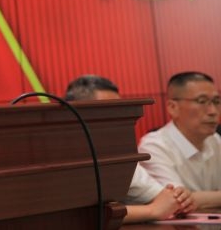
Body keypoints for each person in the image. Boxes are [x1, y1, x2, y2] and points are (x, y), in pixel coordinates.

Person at [65, 75, 197, 222]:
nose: (119, 119)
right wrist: (151, 211)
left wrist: (179, 198)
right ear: (75, 115)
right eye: (108, 111)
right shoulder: (62, 156)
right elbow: (73, 216)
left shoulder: (116, 154)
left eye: (121, 111)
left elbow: (162, 198)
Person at [139, 71, 221, 210]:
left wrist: (197, 198)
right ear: (173, 107)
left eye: (216, 101)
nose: (213, 111)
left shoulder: (215, 140)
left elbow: (190, 200)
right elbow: (177, 201)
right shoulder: (153, 146)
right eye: (201, 101)